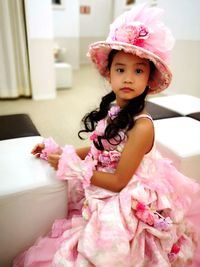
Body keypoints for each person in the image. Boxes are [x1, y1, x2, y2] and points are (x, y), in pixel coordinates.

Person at [13, 3, 200, 267]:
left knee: (103, 245)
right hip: (111, 175)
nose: (128, 78)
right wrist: (60, 153)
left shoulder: (142, 125)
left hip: (127, 188)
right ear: (109, 74)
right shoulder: (114, 110)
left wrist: (72, 167)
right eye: (120, 69)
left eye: (138, 71)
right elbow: (98, 149)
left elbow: (118, 182)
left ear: (148, 79)